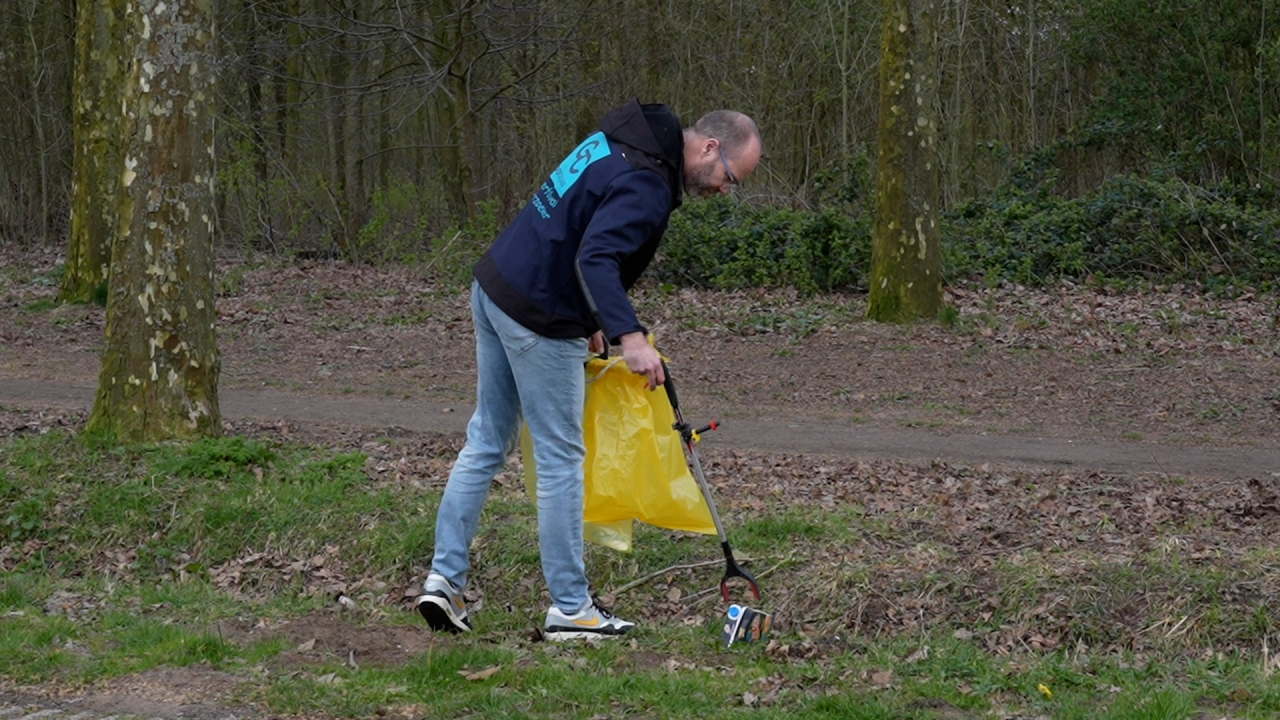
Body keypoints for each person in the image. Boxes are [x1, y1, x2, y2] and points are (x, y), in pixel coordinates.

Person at [416, 99, 762, 641]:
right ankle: (571, 609)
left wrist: (593, 317)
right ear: (711, 147)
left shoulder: (625, 141)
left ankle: (443, 581)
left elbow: (573, 224)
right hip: (537, 312)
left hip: (497, 284)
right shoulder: (648, 180)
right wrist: (631, 336)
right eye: (731, 177)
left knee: (484, 442)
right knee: (560, 460)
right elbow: (595, 257)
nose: (725, 189)